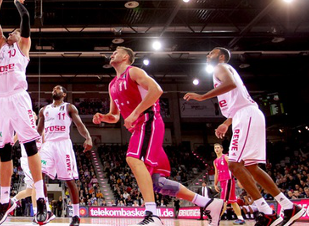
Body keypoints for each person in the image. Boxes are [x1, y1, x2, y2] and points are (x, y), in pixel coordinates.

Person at [93, 47, 224, 226]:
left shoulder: (134, 72)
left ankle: (152, 214)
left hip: (149, 120)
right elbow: (115, 116)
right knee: (158, 183)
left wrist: (134, 113)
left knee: (133, 159)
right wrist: (104, 117)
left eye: (117, 51)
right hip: (139, 128)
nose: (112, 53)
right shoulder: (112, 85)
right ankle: (209, 203)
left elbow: (157, 90)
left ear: (126, 57)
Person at [184, 47, 306, 226]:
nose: (208, 54)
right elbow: (237, 100)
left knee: (233, 164)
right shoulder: (221, 71)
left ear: (221, 56)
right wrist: (226, 123)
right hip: (245, 114)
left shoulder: (220, 67)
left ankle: (267, 212)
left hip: (246, 115)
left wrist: (202, 97)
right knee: (252, 167)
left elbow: (231, 84)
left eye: (212, 52)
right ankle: (288, 207)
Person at [0, 0, 47, 226]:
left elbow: (25, 19)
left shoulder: (23, 47)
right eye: (9, 32)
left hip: (18, 97)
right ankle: (4, 203)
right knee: (3, 151)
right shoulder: (1, 46)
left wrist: (16, 3)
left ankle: (41, 200)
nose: (11, 33)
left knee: (30, 145)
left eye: (14, 32)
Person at [37, 85, 93, 226]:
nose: (55, 89)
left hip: (63, 144)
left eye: (59, 88)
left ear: (64, 94)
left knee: (69, 180)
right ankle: (46, 209)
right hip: (48, 145)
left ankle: (75, 215)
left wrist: (88, 137)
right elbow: (38, 130)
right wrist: (30, 141)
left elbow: (79, 125)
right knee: (39, 175)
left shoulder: (69, 107)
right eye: (54, 88)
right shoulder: (44, 110)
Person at [213, 143, 246, 224]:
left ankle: (216, 219)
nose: (216, 149)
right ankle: (241, 219)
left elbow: (234, 168)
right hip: (222, 181)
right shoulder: (215, 161)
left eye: (218, 148)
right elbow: (216, 173)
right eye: (215, 148)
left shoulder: (226, 157)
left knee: (223, 200)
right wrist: (215, 184)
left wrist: (238, 179)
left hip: (228, 180)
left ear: (222, 149)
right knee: (233, 201)